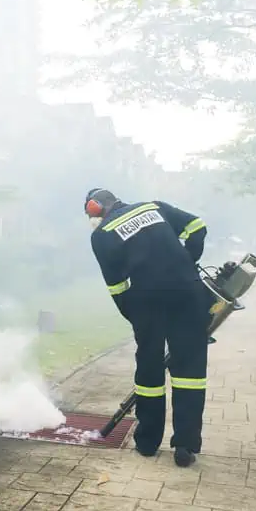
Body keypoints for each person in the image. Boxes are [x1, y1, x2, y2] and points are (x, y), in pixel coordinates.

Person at [84, 188, 210, 468]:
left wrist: (135, 315)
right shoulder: (153, 207)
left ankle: (148, 442)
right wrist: (187, 263)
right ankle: (186, 445)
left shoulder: (102, 235)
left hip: (147, 301)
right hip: (188, 294)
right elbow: (197, 226)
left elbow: (116, 287)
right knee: (190, 371)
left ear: (94, 208)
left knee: (149, 371)